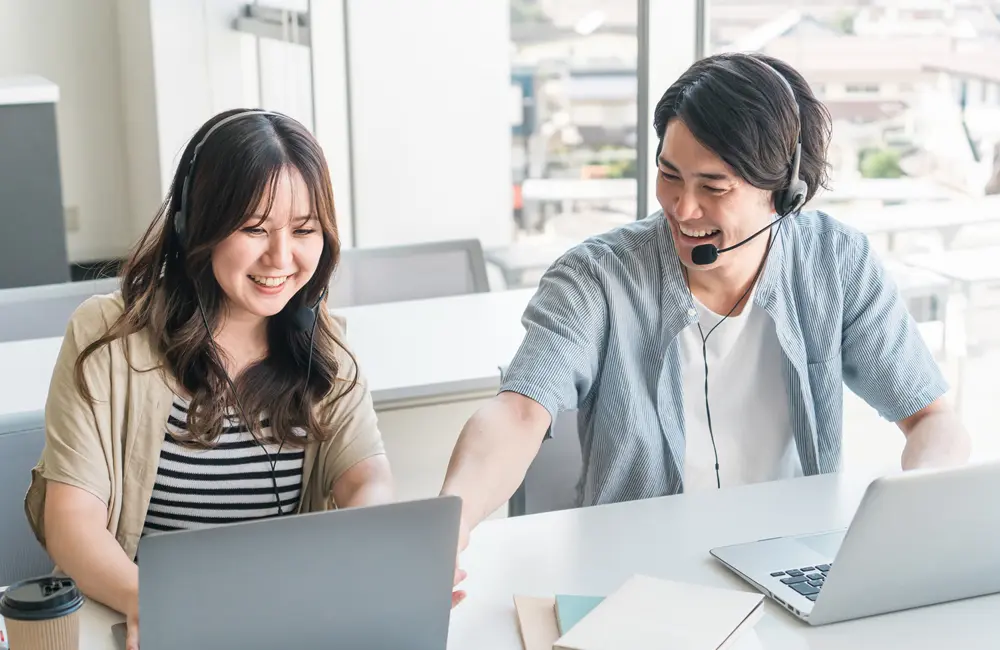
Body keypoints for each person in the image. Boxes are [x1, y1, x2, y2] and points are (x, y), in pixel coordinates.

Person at [441, 52, 972, 600]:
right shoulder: (596, 277)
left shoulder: (836, 264)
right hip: (637, 583)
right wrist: (451, 523)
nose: (682, 207)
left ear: (784, 192)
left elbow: (933, 419)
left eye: (714, 188)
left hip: (790, 571)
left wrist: (913, 513)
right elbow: (520, 409)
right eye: (669, 175)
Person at [23, 109, 394, 648]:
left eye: (304, 230)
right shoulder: (109, 335)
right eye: (254, 228)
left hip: (284, 623)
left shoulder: (323, 343)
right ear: (196, 223)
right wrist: (155, 603)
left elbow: (369, 479)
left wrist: (363, 554)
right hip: (153, 619)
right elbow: (71, 520)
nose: (281, 258)